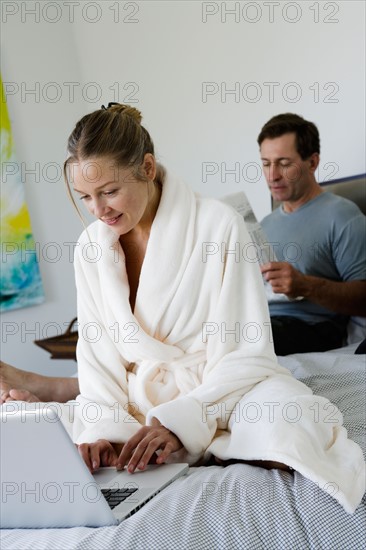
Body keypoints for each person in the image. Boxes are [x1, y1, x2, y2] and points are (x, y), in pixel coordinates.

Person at [0, 104, 364, 514]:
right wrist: (103, 429)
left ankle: (88, 397)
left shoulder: (218, 225)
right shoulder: (90, 249)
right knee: (38, 441)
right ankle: (72, 396)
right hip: (133, 396)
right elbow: (99, 355)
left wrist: (180, 423)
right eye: (86, 197)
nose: (98, 210)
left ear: (148, 167)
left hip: (218, 385)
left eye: (109, 191)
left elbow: (245, 353)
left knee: (289, 423)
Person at [258, 113, 366, 356]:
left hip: (313, 327)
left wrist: (305, 286)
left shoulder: (343, 216)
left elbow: (363, 299)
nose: (272, 175)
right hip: (262, 322)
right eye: (266, 163)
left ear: (312, 162)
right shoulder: (264, 225)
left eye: (284, 164)